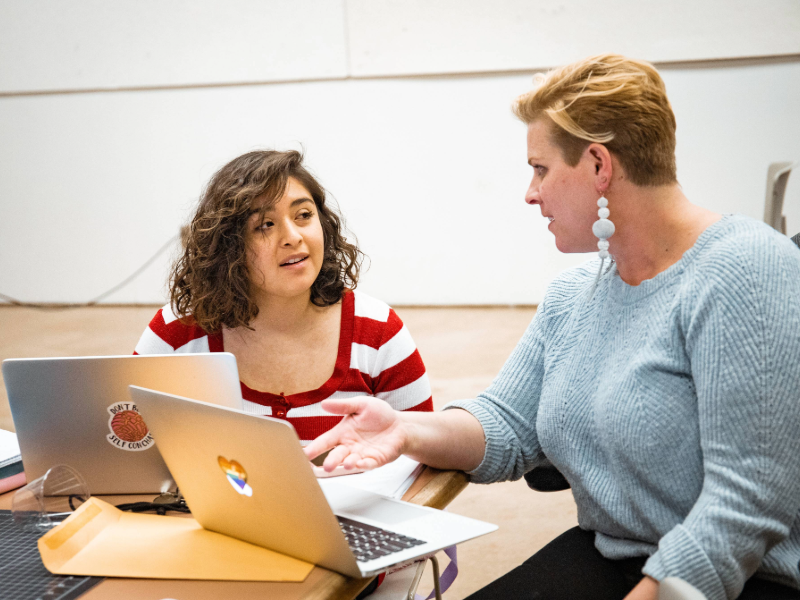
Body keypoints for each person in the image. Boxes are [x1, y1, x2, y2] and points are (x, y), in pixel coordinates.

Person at [305, 55, 800, 600]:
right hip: (614, 554)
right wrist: (404, 430)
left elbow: (746, 503)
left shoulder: (746, 271)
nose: (530, 192)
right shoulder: (574, 294)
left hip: (738, 577)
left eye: (540, 169)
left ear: (598, 165)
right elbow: (506, 423)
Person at [134, 149, 433, 445]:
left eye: (303, 215)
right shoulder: (176, 332)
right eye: (265, 225)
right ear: (228, 246)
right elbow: (125, 449)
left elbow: (424, 457)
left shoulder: (379, 332)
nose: (293, 237)